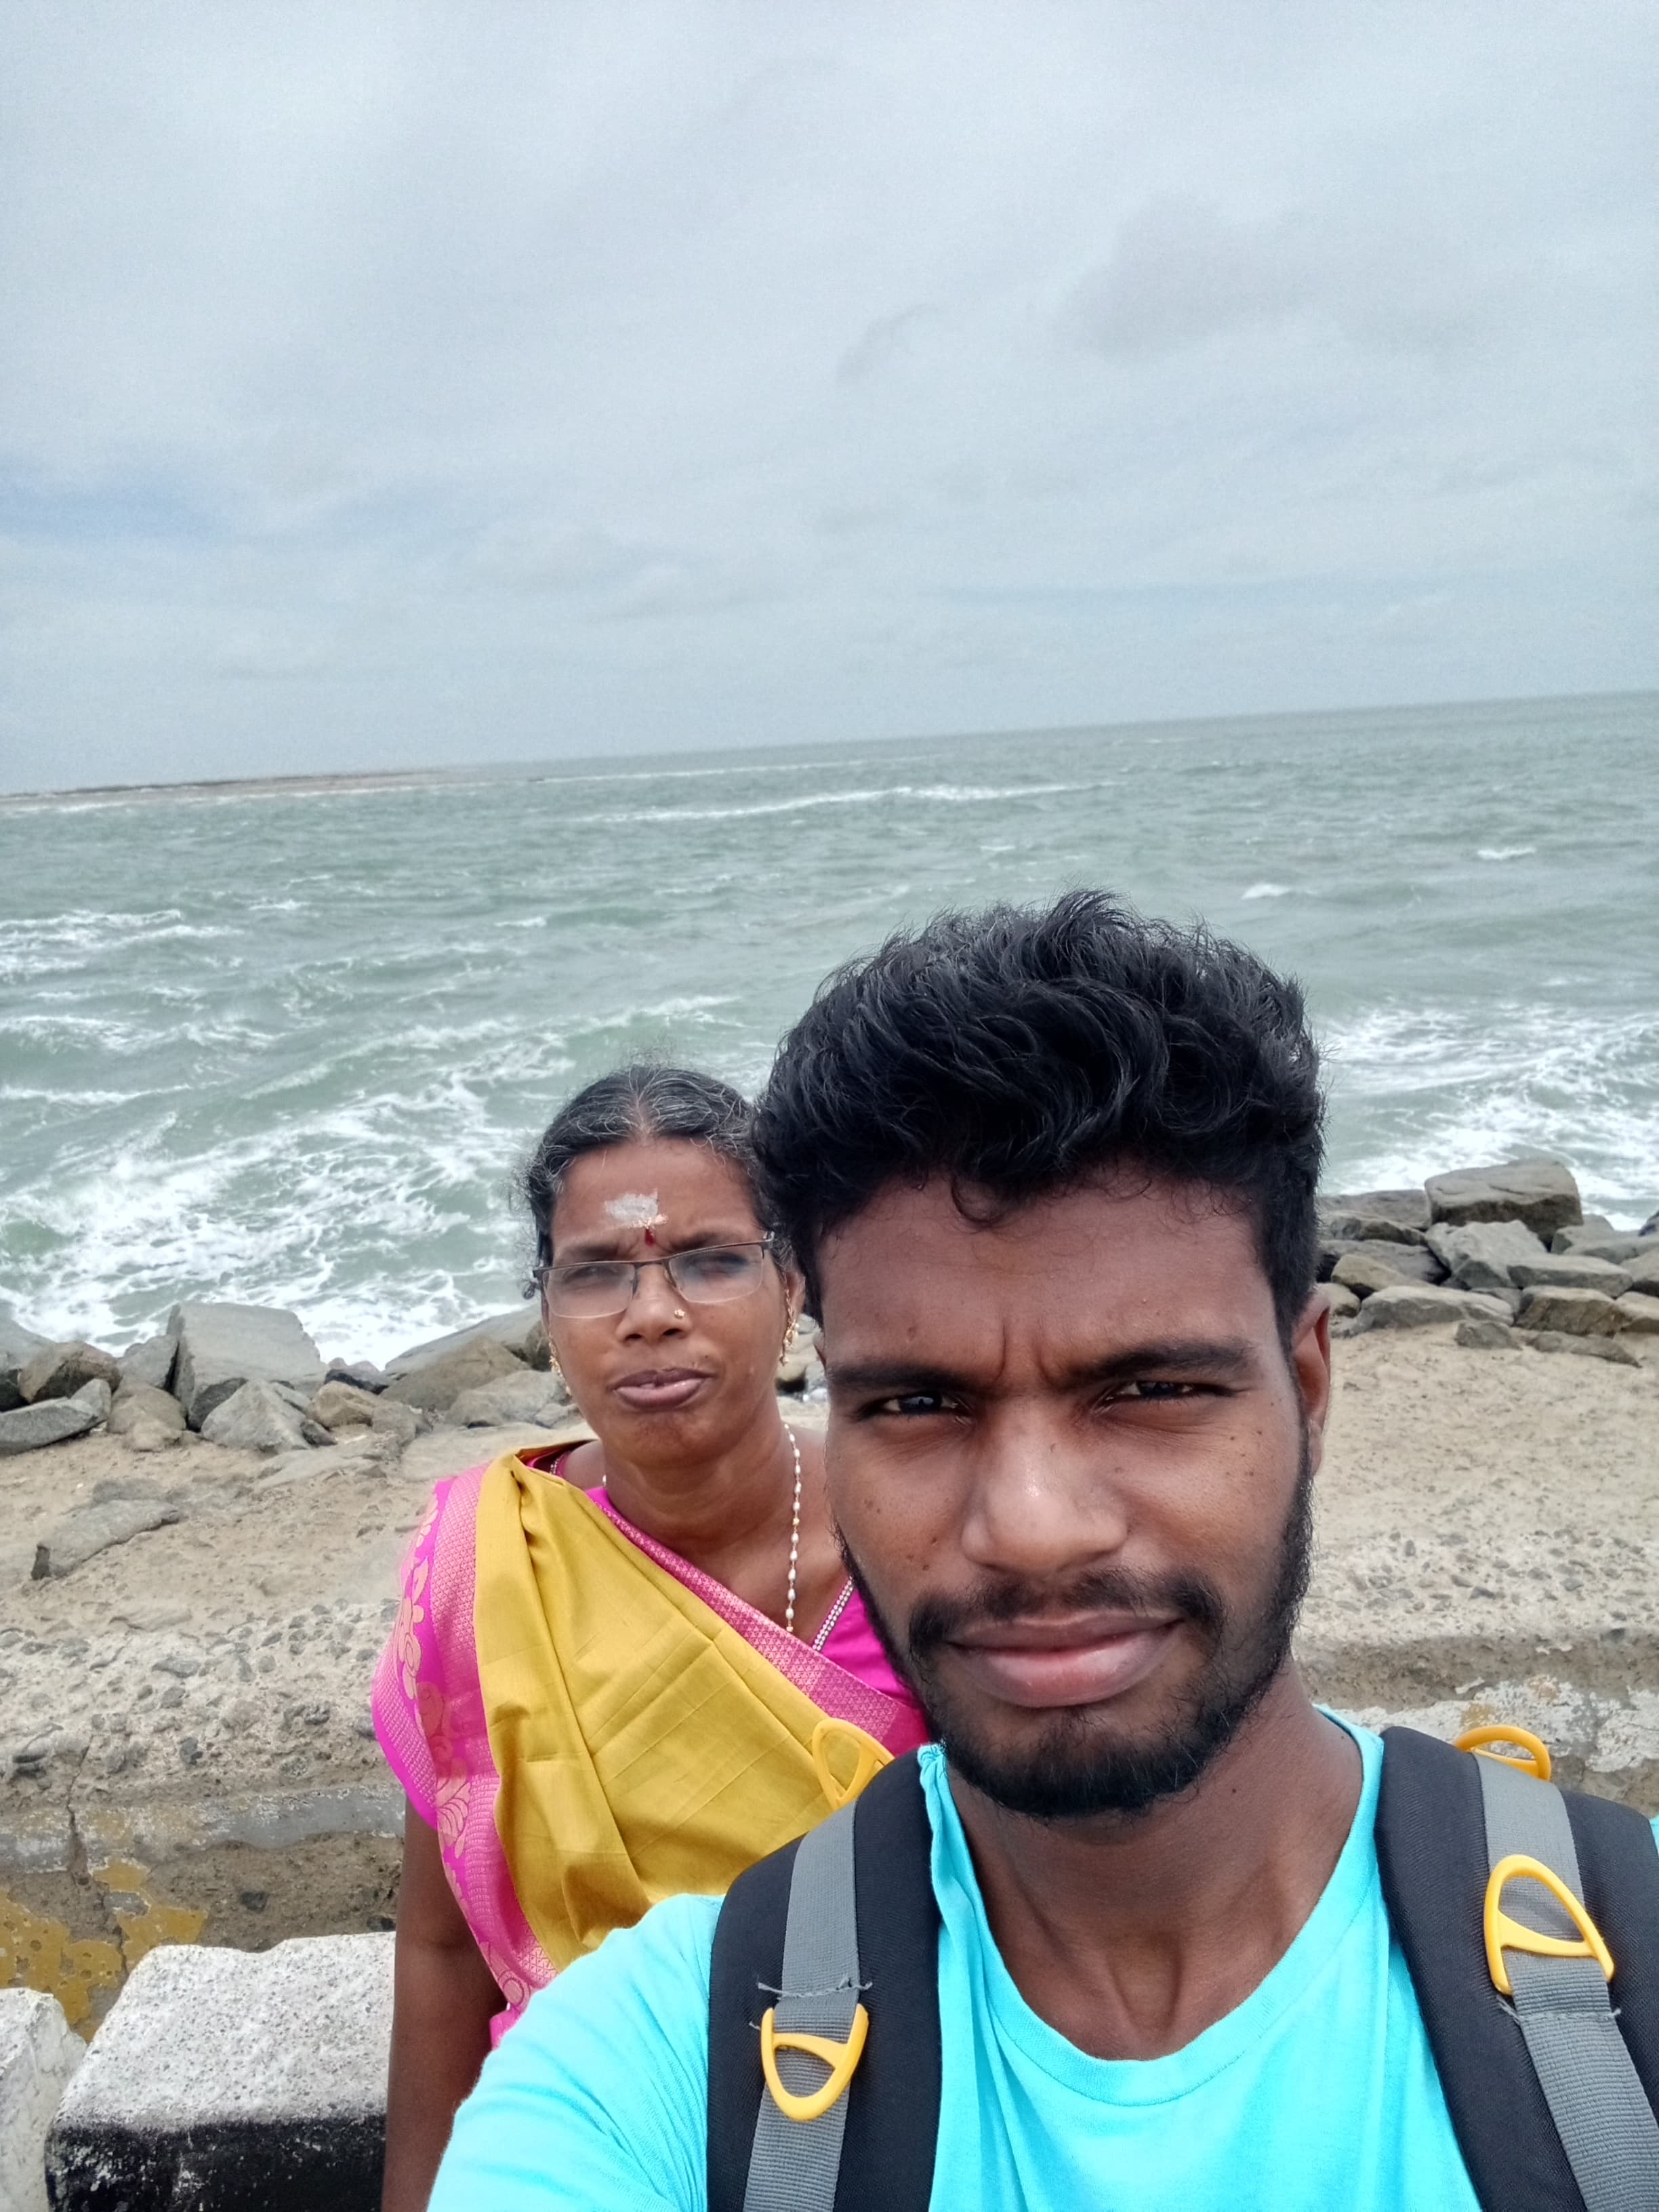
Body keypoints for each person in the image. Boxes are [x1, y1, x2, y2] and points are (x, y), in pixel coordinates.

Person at [428, 893, 1659, 2211]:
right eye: (917, 1405)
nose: (1031, 1526)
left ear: (1306, 1390)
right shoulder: (662, 2059)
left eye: (1151, 1392)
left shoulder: (1622, 1984)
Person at [374, 1065, 926, 2212]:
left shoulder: (912, 1538)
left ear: (792, 1283)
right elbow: (439, 1952)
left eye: (711, 1260)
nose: (652, 1314)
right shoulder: (492, 1566)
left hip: (903, 2114)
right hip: (595, 2124)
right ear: (546, 1311)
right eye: (597, 1274)